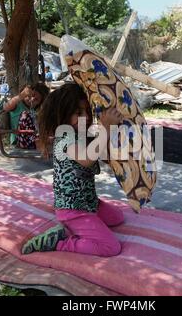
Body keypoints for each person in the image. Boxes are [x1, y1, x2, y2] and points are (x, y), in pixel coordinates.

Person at [22, 83, 125, 257]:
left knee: (118, 218)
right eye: (78, 113)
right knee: (111, 247)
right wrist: (106, 128)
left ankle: (81, 227)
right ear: (62, 115)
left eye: (87, 111)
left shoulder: (81, 136)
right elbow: (86, 159)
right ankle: (61, 242)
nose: (85, 117)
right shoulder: (65, 139)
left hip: (89, 202)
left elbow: (99, 153)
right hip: (73, 210)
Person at [3, 83, 50, 149]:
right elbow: (5, 107)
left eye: (36, 99)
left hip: (35, 138)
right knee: (26, 114)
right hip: (20, 140)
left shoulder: (36, 110)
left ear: (40, 102)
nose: (32, 99)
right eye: (30, 96)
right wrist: (21, 95)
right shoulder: (18, 105)